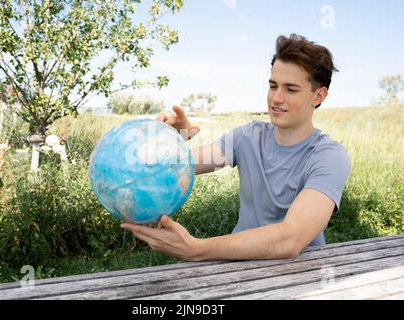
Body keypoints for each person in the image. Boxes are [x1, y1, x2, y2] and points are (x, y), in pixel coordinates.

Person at [121, 34, 351, 261]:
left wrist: (196, 248)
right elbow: (176, 167)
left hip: (298, 275)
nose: (276, 98)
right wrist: (174, 140)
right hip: (237, 264)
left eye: (291, 89)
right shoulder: (247, 136)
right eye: (273, 86)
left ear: (318, 96)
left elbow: (291, 239)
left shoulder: (329, 156)